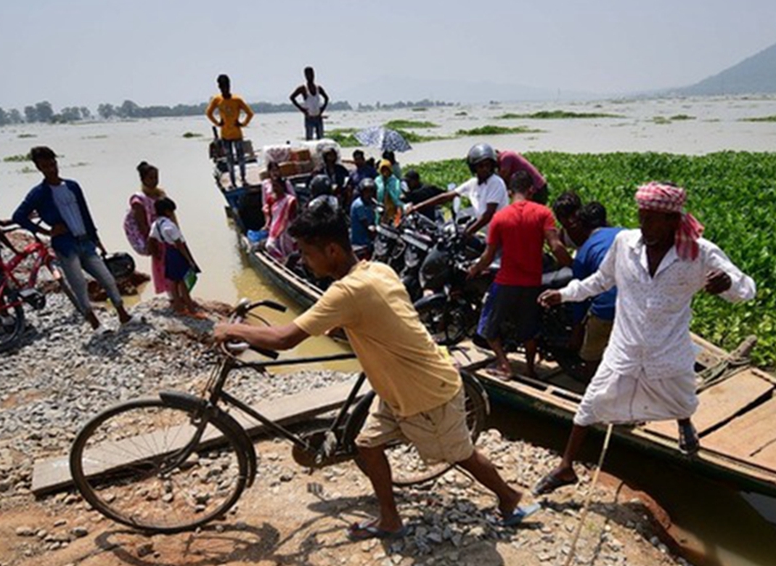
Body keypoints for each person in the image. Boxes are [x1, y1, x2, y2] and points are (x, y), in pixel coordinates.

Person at [213, 202, 538, 540]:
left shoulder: (346, 291)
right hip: (396, 387)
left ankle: (509, 499)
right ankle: (390, 519)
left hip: (426, 391)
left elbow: (284, 338)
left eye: (308, 254)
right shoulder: (376, 270)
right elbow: (379, 315)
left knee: (460, 455)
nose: (305, 261)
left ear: (333, 250)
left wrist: (231, 330)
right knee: (366, 444)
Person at [532, 182, 756, 496]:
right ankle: (565, 467)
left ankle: (684, 423)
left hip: (668, 346)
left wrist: (728, 283)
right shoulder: (625, 243)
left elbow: (747, 289)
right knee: (589, 404)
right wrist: (565, 294)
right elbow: (600, 280)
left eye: (651, 219)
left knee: (682, 397)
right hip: (625, 345)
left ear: (673, 221)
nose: (643, 224)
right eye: (641, 217)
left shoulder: (699, 252)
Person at [467, 171, 572, 379]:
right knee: (529, 330)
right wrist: (575, 266)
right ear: (531, 190)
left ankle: (504, 364)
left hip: (506, 281)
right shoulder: (543, 213)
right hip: (532, 282)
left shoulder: (500, 217)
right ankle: (531, 369)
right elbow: (556, 246)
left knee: (487, 326)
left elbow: (488, 256)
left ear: (509, 191)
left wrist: (475, 269)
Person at [13, 146, 131, 329]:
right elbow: (18, 216)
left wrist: (96, 239)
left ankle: (123, 315)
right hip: (65, 246)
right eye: (46, 166)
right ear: (39, 168)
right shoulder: (38, 193)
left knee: (107, 279)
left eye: (53, 164)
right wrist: (46, 232)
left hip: (85, 241)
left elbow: (85, 213)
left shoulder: (72, 186)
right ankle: (95, 324)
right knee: (79, 286)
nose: (51, 169)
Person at [406, 143, 508, 238]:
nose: (485, 168)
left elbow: (488, 215)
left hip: (498, 234)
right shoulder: (473, 183)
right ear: (474, 168)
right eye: (481, 166)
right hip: (483, 231)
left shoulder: (495, 182)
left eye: (488, 165)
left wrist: (468, 232)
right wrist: (417, 207)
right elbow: (446, 197)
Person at [567, 202, 623, 369]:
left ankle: (592, 386)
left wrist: (576, 333)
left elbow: (579, 297)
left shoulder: (584, 251)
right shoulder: (625, 234)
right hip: (636, 303)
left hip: (607, 307)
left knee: (591, 356)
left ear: (583, 227)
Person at [148, 198, 201, 315]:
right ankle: (192, 310)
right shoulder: (170, 226)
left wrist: (155, 253)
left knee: (173, 282)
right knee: (183, 283)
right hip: (177, 254)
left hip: (167, 253)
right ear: (167, 211)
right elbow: (180, 245)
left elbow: (150, 239)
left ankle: (179, 308)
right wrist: (190, 260)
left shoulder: (155, 225)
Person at [125, 161, 170, 296]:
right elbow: (143, 225)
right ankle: (171, 294)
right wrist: (151, 243)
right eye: (151, 178)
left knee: (171, 261)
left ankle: (176, 292)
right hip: (153, 237)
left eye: (156, 177)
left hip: (164, 233)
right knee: (162, 264)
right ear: (143, 179)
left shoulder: (160, 194)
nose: (154, 181)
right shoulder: (139, 200)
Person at [206, 74, 255, 188]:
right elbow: (208, 112)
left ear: (229, 85)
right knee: (230, 160)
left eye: (226, 86)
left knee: (241, 158)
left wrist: (242, 123)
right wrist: (218, 123)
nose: (225, 88)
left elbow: (250, 113)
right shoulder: (217, 100)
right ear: (219, 87)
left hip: (237, 134)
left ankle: (243, 179)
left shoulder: (236, 100)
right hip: (225, 135)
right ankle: (233, 182)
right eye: (222, 86)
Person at [263, 161, 298, 260]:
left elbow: (294, 214)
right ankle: (282, 260)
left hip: (287, 227)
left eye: (276, 186)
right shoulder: (270, 198)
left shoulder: (289, 199)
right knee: (270, 246)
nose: (274, 189)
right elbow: (268, 211)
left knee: (288, 248)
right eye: (273, 187)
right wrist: (267, 224)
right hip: (275, 227)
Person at [289, 66, 329, 140]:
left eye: (312, 74)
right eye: (308, 74)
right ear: (305, 76)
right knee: (309, 139)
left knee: (321, 140)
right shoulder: (303, 88)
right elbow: (292, 97)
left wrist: (322, 109)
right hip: (309, 118)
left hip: (318, 117)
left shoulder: (318, 88)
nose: (310, 76)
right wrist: (302, 109)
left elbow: (326, 98)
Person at [350, 178, 377, 255]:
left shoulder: (370, 203)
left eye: (371, 191)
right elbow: (367, 225)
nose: (369, 194)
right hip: (361, 241)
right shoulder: (359, 205)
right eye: (366, 192)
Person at [374, 159, 404, 224]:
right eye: (383, 170)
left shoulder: (395, 181)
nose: (385, 172)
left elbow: (397, 194)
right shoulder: (377, 180)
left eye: (387, 169)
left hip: (391, 208)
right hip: (380, 207)